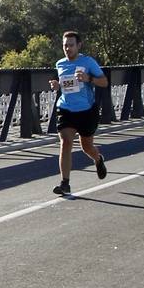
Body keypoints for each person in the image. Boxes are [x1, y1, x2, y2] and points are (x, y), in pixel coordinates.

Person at [46, 31, 109, 195]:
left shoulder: (88, 62)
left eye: (71, 45)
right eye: (65, 45)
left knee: (86, 146)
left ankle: (98, 159)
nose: (68, 48)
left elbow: (104, 82)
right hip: (66, 109)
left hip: (86, 110)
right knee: (66, 142)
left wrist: (89, 79)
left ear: (78, 45)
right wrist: (56, 86)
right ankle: (65, 183)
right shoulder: (60, 64)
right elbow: (63, 84)